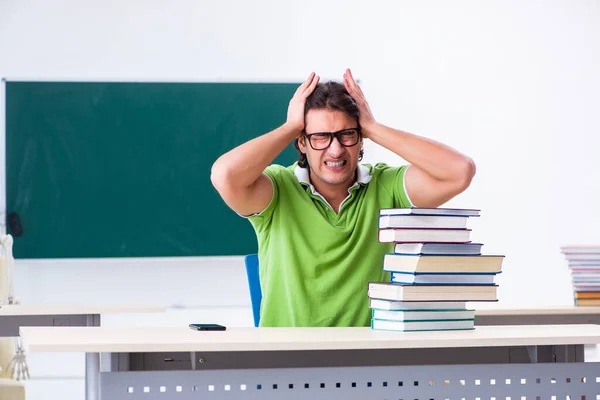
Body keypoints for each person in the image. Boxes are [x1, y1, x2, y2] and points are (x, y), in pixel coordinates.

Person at [211, 69, 476, 327]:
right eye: (320, 137)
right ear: (301, 142)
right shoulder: (277, 190)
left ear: (361, 139)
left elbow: (459, 171)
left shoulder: (387, 186)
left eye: (347, 134)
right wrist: (291, 126)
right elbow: (225, 176)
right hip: (287, 359)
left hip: (368, 361)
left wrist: (372, 127)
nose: (335, 150)